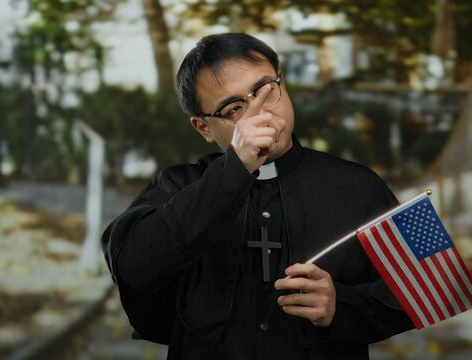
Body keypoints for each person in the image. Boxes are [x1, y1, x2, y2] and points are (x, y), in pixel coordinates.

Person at [102, 33, 414, 360]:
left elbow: (434, 284)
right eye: (234, 108)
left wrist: (343, 306)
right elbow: (132, 267)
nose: (260, 113)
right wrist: (235, 171)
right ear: (203, 128)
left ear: (284, 84)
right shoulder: (176, 186)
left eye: (266, 90)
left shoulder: (359, 184)